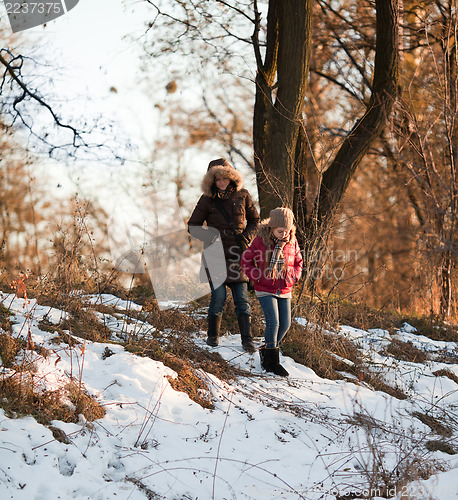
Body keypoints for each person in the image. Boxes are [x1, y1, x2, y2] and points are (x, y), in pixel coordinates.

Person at [188, 158, 260, 352]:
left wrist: (246, 238)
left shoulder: (243, 195)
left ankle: (248, 341)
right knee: (218, 297)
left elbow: (255, 221)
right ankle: (213, 338)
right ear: (212, 180)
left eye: (225, 178)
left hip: (238, 252)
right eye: (218, 179)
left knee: (242, 300)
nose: (222, 182)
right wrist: (211, 237)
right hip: (215, 254)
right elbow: (192, 226)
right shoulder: (206, 199)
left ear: (231, 178)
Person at [241, 207, 303, 376]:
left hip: (284, 288)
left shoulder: (292, 241)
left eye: (287, 230)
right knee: (273, 322)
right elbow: (246, 260)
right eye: (280, 231)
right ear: (271, 228)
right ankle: (271, 363)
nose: (284, 234)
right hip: (265, 289)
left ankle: (267, 349)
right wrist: (257, 276)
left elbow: (298, 262)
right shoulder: (260, 241)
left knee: (285, 324)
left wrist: (294, 277)